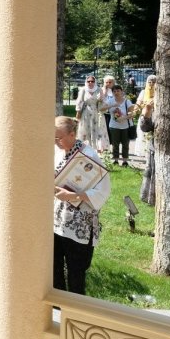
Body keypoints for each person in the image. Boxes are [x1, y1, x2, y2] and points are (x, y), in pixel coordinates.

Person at [52, 116, 111, 295]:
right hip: (56, 221)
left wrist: (73, 195)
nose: (56, 142)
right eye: (53, 138)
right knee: (54, 271)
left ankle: (75, 315)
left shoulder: (89, 156)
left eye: (59, 138)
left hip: (79, 226)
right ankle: (57, 311)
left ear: (72, 134)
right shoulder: (58, 152)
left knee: (76, 273)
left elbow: (103, 191)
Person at [136, 75, 158, 205]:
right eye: (150, 81)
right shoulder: (146, 95)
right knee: (150, 169)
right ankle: (148, 196)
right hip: (153, 142)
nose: (152, 84)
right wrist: (147, 110)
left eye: (155, 82)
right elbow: (145, 127)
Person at [74, 75, 108, 156]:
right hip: (86, 113)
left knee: (98, 131)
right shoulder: (83, 90)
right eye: (88, 81)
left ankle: (98, 151)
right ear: (86, 82)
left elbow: (103, 102)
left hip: (97, 113)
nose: (90, 83)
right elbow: (79, 102)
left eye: (92, 81)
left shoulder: (99, 90)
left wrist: (100, 101)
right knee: (86, 131)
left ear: (94, 82)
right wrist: (78, 113)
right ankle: (85, 150)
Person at [104, 84, 134, 166]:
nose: (116, 92)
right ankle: (116, 160)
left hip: (125, 127)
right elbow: (101, 108)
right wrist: (112, 105)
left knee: (125, 144)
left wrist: (124, 118)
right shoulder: (110, 101)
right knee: (115, 144)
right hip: (113, 126)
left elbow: (132, 114)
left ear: (121, 91)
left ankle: (125, 161)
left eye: (118, 91)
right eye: (114, 91)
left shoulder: (127, 101)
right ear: (112, 92)